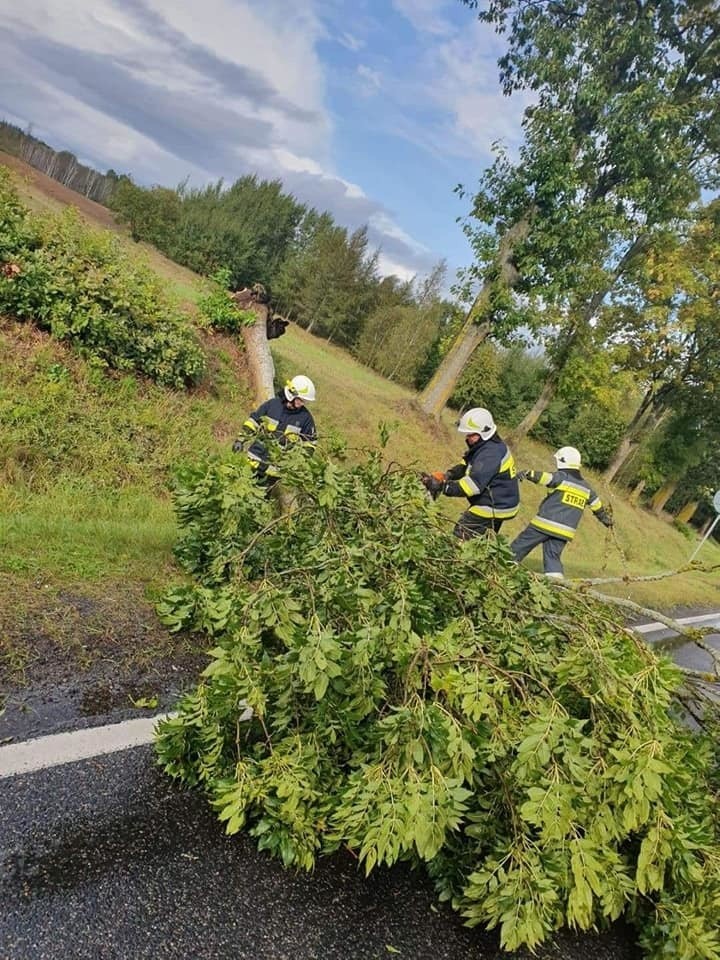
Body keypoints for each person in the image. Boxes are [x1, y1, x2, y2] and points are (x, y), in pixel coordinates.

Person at [510, 446, 613, 578]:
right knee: (553, 557)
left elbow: (546, 478)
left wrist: (528, 473)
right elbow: (597, 506)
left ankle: (501, 568)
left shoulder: (562, 477)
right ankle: (556, 585)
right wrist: (606, 520)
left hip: (544, 524)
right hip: (565, 531)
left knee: (520, 546)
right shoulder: (587, 489)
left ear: (562, 461)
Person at [421, 407, 520, 540]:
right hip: (502, 502)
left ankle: (454, 556)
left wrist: (443, 487)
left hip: (494, 505)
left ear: (484, 432)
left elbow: (473, 486)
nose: (467, 438)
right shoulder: (484, 446)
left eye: (471, 435)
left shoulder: (490, 454)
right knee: (481, 542)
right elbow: (465, 465)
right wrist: (448, 475)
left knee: (460, 535)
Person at [233, 375, 317, 486]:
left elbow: (310, 443)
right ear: (292, 395)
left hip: (274, 472)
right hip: (253, 460)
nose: (302, 404)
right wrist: (240, 440)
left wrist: (298, 462)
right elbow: (253, 422)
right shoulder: (272, 405)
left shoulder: (305, 419)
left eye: (304, 402)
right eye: (300, 400)